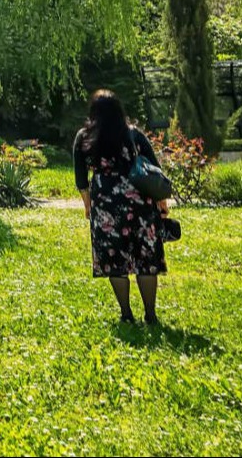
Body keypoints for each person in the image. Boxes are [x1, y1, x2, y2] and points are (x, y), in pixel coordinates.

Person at [73, 89, 168, 326]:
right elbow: (155, 168)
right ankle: (150, 314)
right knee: (145, 259)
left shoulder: (84, 137)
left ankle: (126, 313)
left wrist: (88, 207)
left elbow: (81, 180)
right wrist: (161, 201)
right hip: (140, 201)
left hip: (105, 204)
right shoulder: (133, 134)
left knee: (115, 261)